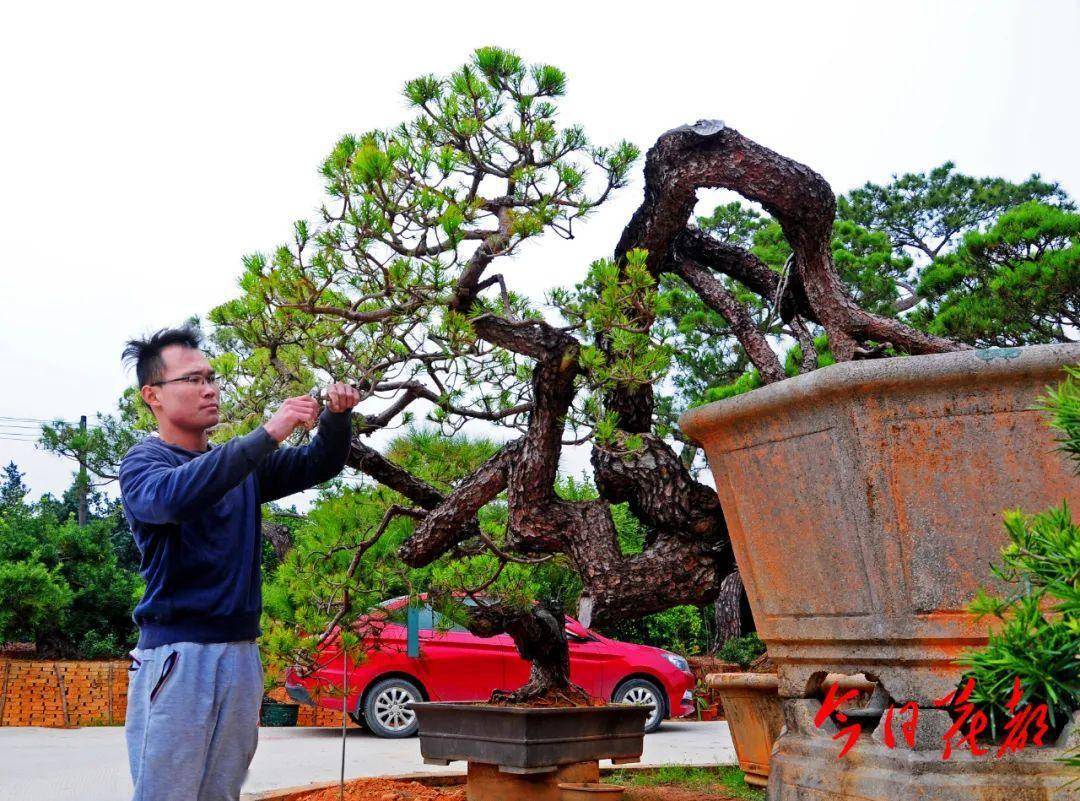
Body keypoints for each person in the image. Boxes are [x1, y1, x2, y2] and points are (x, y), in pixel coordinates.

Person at [117, 325, 359, 801]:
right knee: (168, 793)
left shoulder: (239, 467)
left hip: (241, 653)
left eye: (212, 376)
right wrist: (267, 434)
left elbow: (316, 465)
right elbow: (174, 498)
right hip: (177, 655)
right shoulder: (143, 464)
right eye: (192, 379)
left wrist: (335, 418)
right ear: (153, 396)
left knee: (221, 793)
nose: (209, 388)